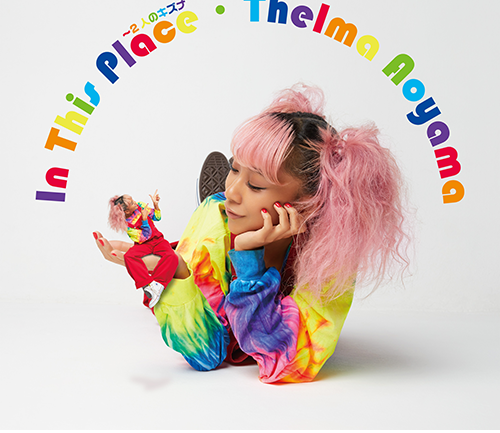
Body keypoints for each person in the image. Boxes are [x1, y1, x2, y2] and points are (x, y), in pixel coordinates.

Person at [94, 84, 409, 384]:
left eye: (256, 185)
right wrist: (170, 267)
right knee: (197, 248)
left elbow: (284, 364)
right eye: (234, 169)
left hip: (253, 257)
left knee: (227, 279)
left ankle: (206, 258)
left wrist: (248, 260)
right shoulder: (216, 214)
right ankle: (180, 255)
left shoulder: (333, 252)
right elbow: (206, 353)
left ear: (308, 203)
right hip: (214, 239)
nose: (231, 191)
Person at [106, 190, 178, 307]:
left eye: (132, 199)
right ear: (127, 211)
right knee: (129, 257)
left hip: (158, 240)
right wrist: (144, 220)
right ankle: (147, 284)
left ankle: (158, 284)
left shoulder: (140, 206)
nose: (135, 202)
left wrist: (156, 205)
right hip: (143, 244)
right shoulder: (128, 226)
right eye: (132, 203)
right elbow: (145, 236)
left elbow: (157, 217)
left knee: (172, 256)